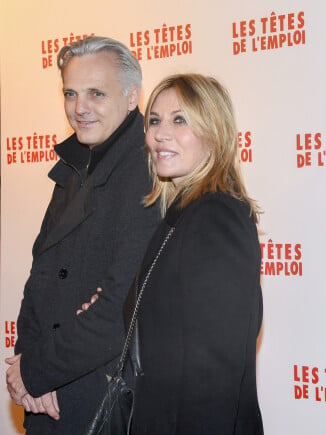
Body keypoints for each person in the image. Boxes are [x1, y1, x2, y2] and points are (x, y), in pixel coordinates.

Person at [4, 36, 160, 434]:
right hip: (49, 396)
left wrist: (39, 371)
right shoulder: (75, 164)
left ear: (131, 97)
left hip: (100, 399)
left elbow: (119, 310)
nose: (79, 108)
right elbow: (40, 277)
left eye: (96, 93)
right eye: (71, 93)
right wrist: (28, 365)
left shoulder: (149, 173)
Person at [126, 73, 264, 434]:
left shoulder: (216, 217)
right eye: (154, 120)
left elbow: (214, 374)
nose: (160, 133)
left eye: (180, 120)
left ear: (215, 133)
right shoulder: (183, 215)